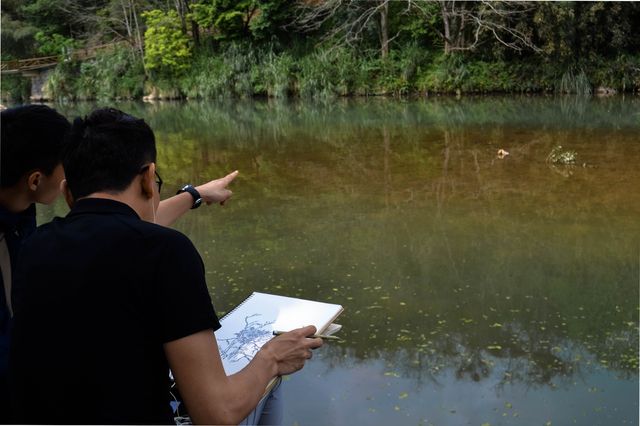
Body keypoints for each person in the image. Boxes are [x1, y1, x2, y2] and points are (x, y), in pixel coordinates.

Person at [9, 108, 322, 424]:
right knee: (268, 382)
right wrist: (272, 357)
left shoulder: (35, 246)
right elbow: (217, 413)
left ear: (67, 192)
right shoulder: (165, 252)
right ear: (147, 178)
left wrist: (194, 195)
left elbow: (119, 232)